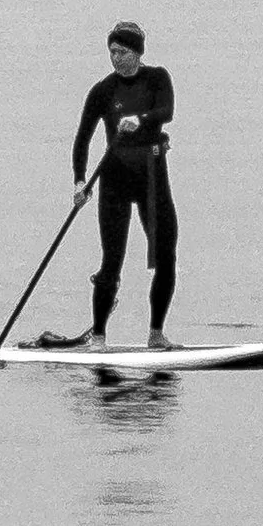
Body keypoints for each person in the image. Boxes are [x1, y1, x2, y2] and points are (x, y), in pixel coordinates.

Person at [70, 19, 177, 350]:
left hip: (152, 179)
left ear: (137, 53)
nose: (116, 58)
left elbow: (166, 111)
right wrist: (80, 181)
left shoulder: (157, 78)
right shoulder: (102, 90)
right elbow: (83, 139)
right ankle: (99, 338)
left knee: (166, 255)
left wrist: (141, 119)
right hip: (114, 180)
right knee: (111, 260)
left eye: (122, 52)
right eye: (112, 52)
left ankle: (156, 335)